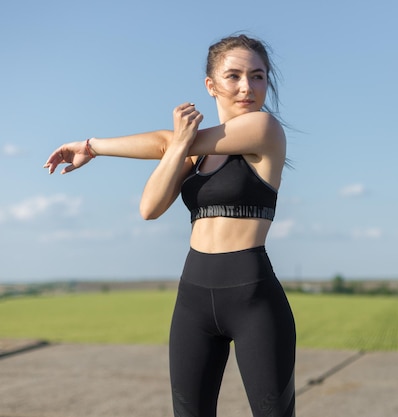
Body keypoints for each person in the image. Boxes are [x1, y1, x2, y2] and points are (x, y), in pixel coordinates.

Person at [44, 34, 296, 417]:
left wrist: (174, 143)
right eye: (234, 76)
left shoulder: (265, 129)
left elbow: (171, 141)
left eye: (258, 76)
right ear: (211, 86)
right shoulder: (191, 153)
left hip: (253, 299)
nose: (247, 86)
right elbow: (150, 207)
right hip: (193, 298)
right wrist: (92, 145)